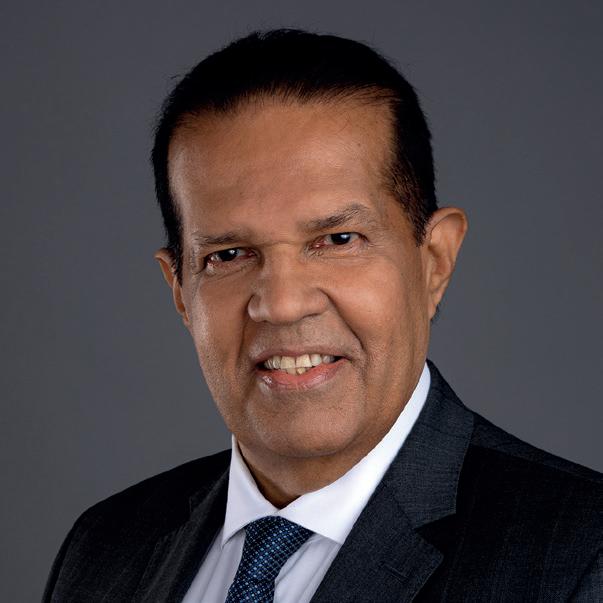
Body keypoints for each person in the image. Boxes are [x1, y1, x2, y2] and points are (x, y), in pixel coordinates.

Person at [44, 29, 601, 602]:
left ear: (434, 262)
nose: (283, 304)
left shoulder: (581, 558)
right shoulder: (103, 552)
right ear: (181, 291)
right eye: (228, 255)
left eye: (338, 240)